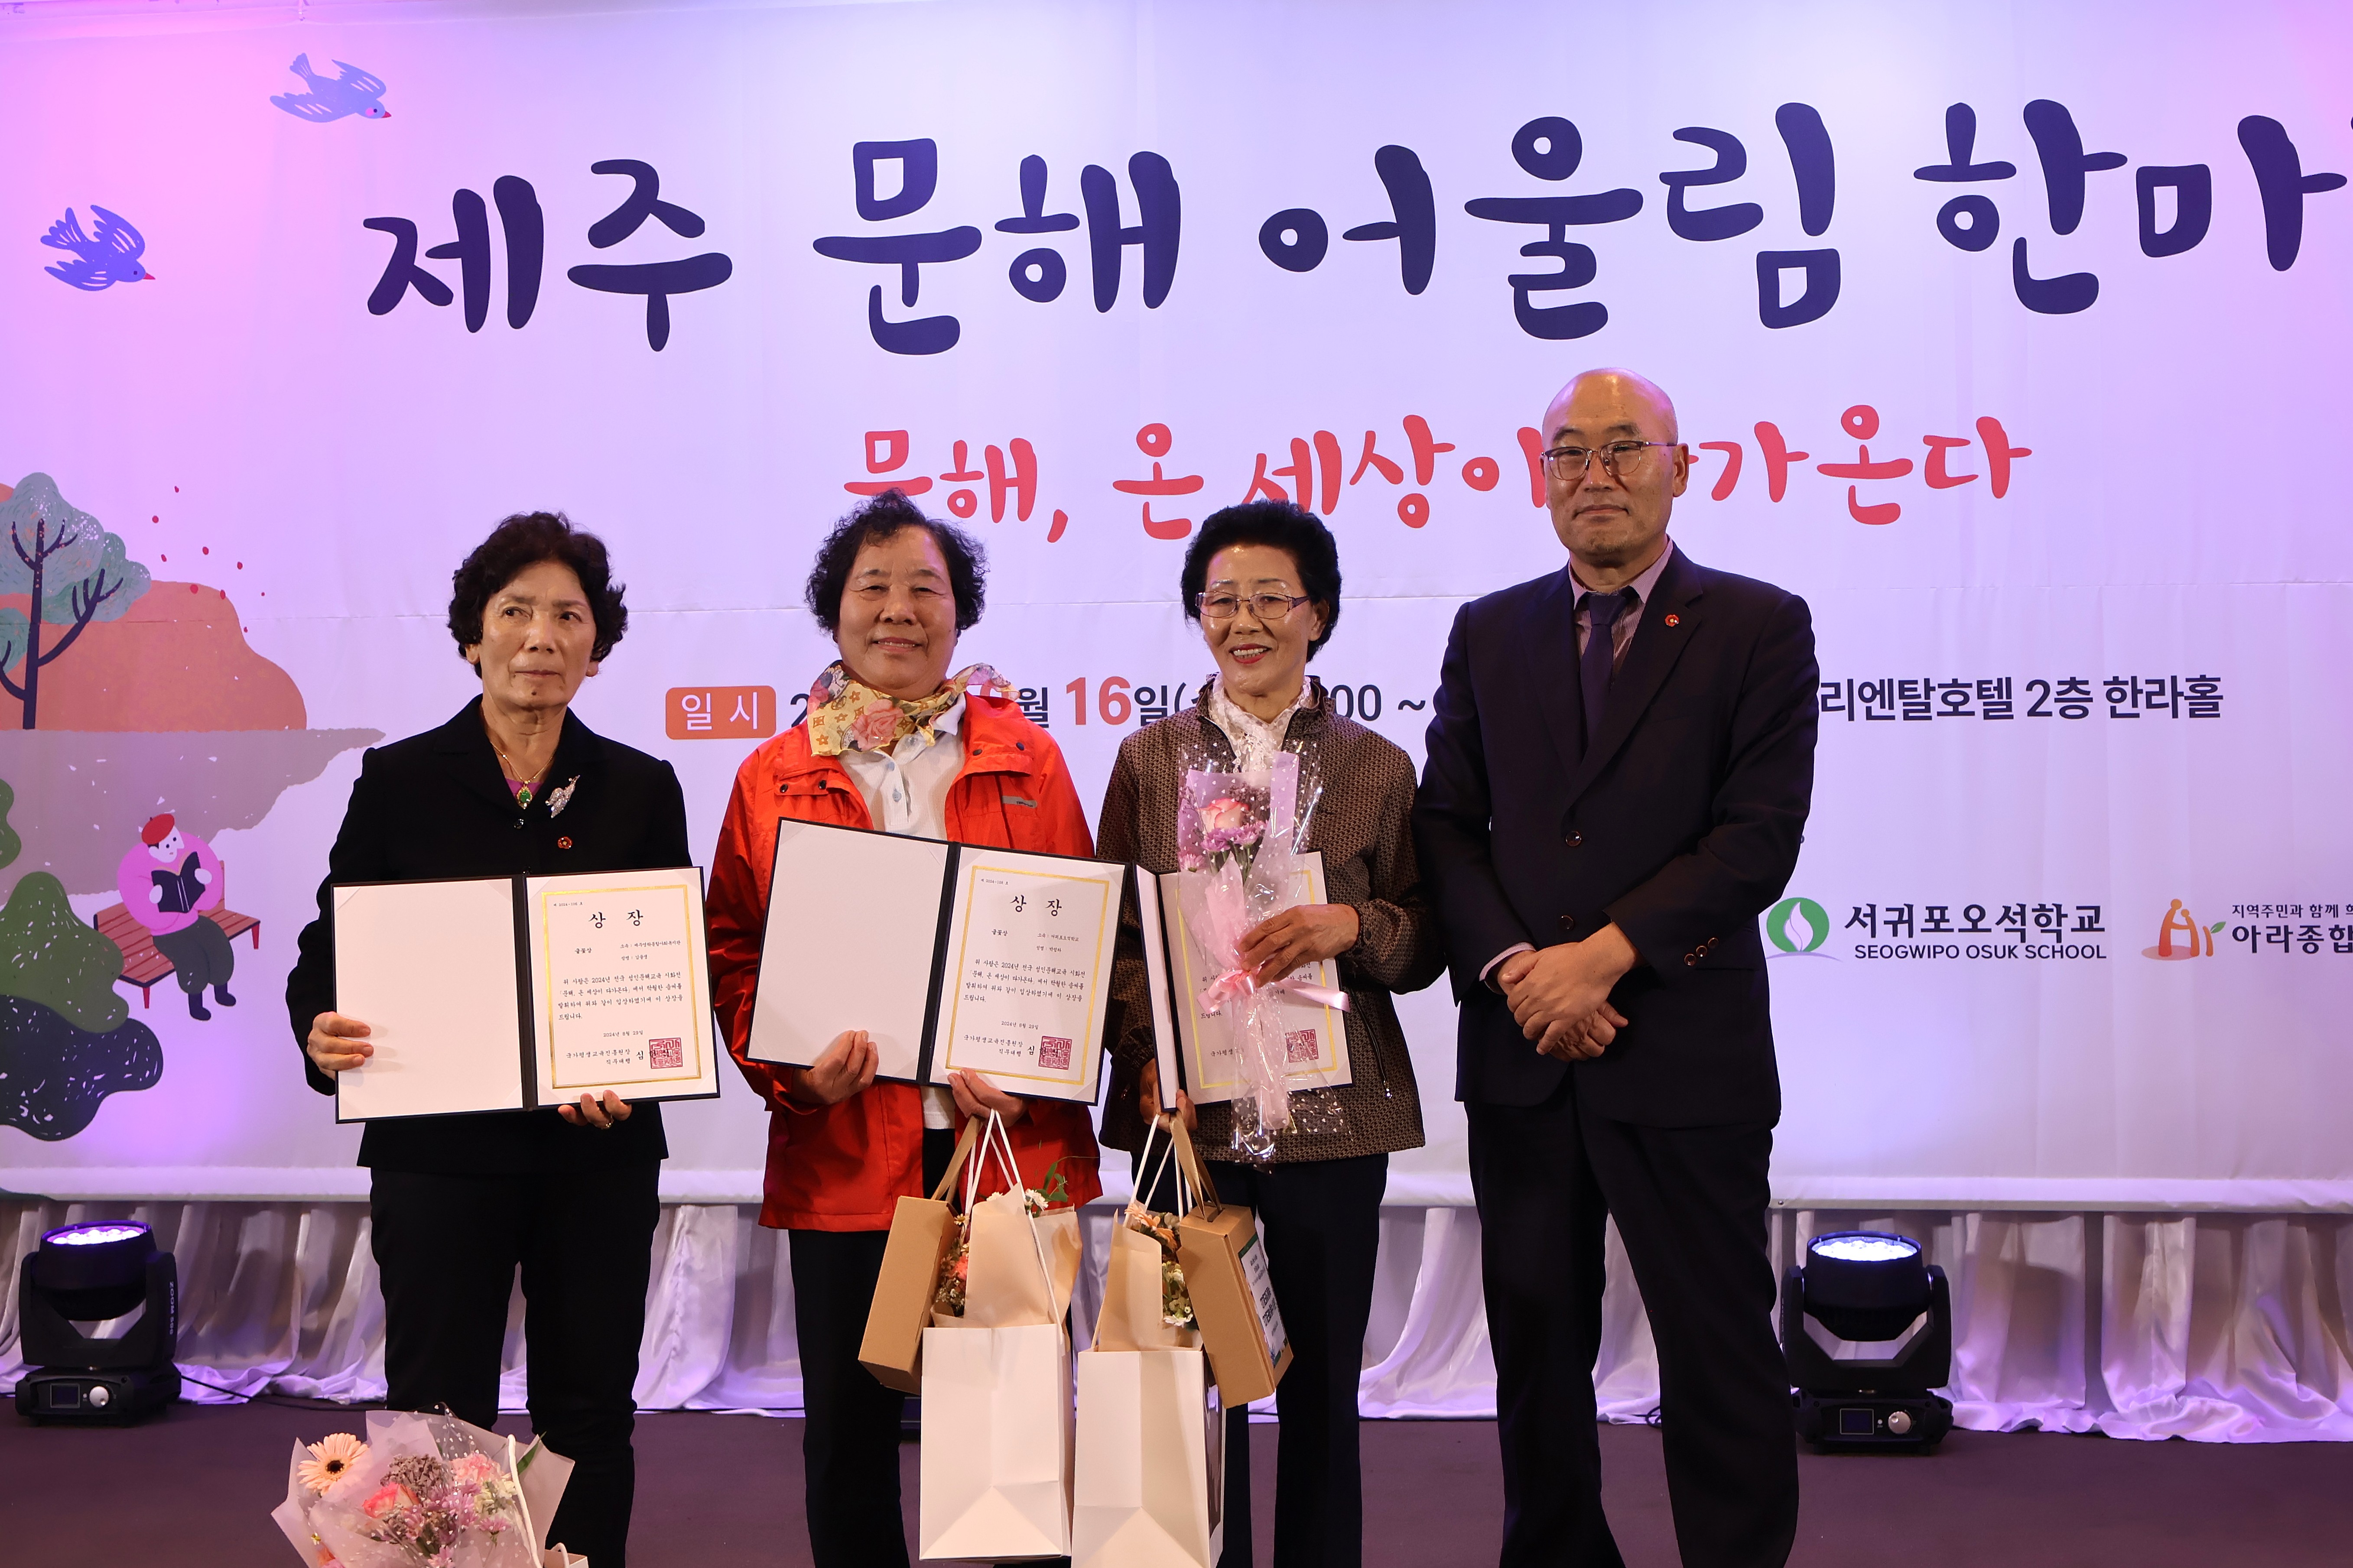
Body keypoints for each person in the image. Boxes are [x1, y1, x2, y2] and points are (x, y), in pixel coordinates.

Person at [1413, 369, 1819, 1568]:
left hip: (1681, 1048)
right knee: (1534, 1350)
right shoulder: (1489, 630)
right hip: (1524, 1051)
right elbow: (1446, 825)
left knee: (1717, 1347)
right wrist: (1518, 972)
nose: (1594, 476)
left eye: (1623, 448)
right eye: (1569, 453)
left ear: (1679, 467)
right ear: (1540, 477)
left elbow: (1755, 837)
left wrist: (1599, 960)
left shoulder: (1757, 624)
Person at [705, 489, 1102, 1568]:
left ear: (958, 612)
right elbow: (733, 949)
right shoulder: (771, 774)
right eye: (871, 587)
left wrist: (1035, 1068)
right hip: (844, 1148)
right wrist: (794, 1075)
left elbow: (1080, 937)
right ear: (833, 612)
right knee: (848, 1432)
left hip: (1005, 1144)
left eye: (924, 588)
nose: (897, 610)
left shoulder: (1028, 758)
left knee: (1015, 1431)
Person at [286, 513, 686, 1568]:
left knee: (589, 1412)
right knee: (433, 1413)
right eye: (515, 612)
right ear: (473, 636)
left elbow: (662, 970)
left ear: (597, 646)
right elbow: (331, 949)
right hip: (438, 1149)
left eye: (568, 616)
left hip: (594, 1151)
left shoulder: (640, 786)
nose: (541, 637)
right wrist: (320, 1028)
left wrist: (635, 1071)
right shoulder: (400, 779)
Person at [1099, 498, 1444, 1568]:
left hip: (1333, 1125)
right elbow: (1115, 937)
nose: (1243, 622)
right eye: (1221, 601)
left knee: (1320, 1395)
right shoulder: (1150, 761)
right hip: (1189, 1121)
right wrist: (1145, 1053)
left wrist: (1353, 926)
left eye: (1269, 600)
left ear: (1318, 614)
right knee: (1184, 1391)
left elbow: (1426, 938)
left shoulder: (1378, 767)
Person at [118, 812, 235, 1019]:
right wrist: (155, 898)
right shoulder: (139, 865)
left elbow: (207, 873)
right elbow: (139, 902)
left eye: (174, 840)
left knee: (217, 942)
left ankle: (221, 991)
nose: (173, 847)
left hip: (193, 921)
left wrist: (201, 878)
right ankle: (196, 1004)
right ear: (155, 849)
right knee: (192, 958)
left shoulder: (186, 851)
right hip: (167, 933)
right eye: (167, 845)